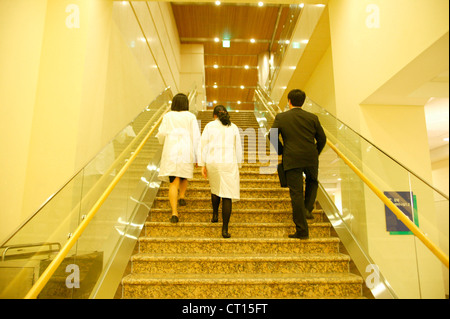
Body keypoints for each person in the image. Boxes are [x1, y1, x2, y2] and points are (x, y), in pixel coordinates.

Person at [270, 89, 326, 239]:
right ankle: (307, 209)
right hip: (311, 158)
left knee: (296, 193)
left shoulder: (281, 117)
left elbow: (272, 135)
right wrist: (315, 152)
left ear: (289, 101)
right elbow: (322, 139)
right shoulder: (312, 117)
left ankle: (302, 230)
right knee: (312, 182)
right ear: (303, 101)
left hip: (292, 158)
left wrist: (282, 150)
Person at [198, 105, 242, 238]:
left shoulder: (209, 126)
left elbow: (203, 145)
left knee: (215, 188)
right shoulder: (233, 127)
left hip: (213, 162)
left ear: (214, 115)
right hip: (229, 163)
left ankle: (215, 215)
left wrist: (202, 164)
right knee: (227, 194)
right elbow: (238, 147)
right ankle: (225, 229)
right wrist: (238, 164)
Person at [156, 93, 200, 223]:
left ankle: (174, 213)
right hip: (186, 148)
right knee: (183, 174)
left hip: (171, 149)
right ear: (186, 103)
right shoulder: (191, 117)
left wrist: (165, 139)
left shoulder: (168, 116)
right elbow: (196, 136)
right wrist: (198, 156)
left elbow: (161, 134)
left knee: (173, 181)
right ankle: (182, 196)